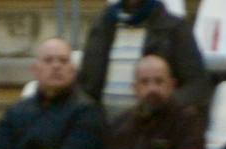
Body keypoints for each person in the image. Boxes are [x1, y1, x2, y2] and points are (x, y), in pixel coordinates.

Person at [0, 38, 105, 149]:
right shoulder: (17, 110)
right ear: (35, 69)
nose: (56, 66)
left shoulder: (88, 110)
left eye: (63, 61)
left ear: (74, 70)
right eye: (48, 60)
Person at [90, 54, 206, 149]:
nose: (152, 89)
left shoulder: (188, 119)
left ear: (172, 86)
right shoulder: (120, 122)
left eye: (159, 82)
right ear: (134, 88)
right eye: (145, 82)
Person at [80, 0, 210, 120]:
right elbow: (87, 85)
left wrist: (161, 106)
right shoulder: (102, 25)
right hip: (104, 129)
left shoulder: (175, 28)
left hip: (155, 130)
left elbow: (197, 86)